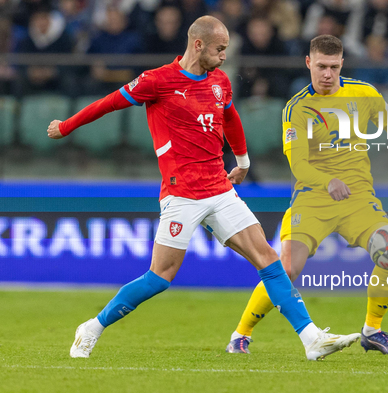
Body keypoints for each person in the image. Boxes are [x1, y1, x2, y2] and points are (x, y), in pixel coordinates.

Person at [47, 16, 360, 361]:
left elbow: (231, 118)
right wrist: (66, 126)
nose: (225, 56)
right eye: (220, 49)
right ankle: (92, 327)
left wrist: (242, 161)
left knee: (269, 260)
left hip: (220, 189)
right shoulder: (157, 81)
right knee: (160, 277)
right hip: (181, 194)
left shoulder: (220, 82)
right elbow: (108, 103)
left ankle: (311, 339)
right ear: (198, 45)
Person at [226, 34, 388, 355]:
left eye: (333, 66)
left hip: (358, 199)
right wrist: (327, 180)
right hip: (312, 199)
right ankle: (240, 335)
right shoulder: (297, 108)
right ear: (308, 63)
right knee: (286, 268)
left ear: (342, 63)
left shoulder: (364, 94)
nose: (327, 73)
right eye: (321, 66)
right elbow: (299, 164)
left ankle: (373, 330)